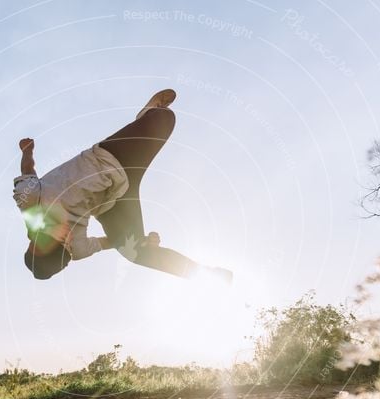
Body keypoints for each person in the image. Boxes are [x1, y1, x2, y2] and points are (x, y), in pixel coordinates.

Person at [13, 89, 232, 282]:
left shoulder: (31, 203)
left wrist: (27, 151)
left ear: (36, 242)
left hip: (107, 159)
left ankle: (147, 115)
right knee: (135, 253)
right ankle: (207, 275)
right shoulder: (75, 251)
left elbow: (28, 171)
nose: (68, 238)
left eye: (60, 240)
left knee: (166, 118)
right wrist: (139, 239)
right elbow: (110, 242)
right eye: (67, 246)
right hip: (113, 203)